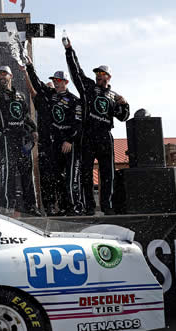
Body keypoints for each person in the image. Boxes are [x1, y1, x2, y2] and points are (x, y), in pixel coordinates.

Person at [63, 36, 129, 216]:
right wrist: (69, 50)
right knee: (85, 172)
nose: (99, 77)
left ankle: (107, 206)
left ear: (108, 77)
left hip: (105, 136)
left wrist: (124, 104)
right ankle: (89, 206)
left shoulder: (113, 96)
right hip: (88, 135)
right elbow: (76, 71)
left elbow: (123, 117)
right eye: (97, 74)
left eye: (102, 74)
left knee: (108, 173)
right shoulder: (88, 88)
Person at [21, 59, 84, 216]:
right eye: (54, 81)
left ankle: (73, 207)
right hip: (54, 144)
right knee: (55, 177)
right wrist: (29, 67)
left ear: (66, 82)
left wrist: (69, 140)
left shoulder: (74, 100)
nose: (56, 84)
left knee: (70, 178)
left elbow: (78, 123)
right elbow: (37, 84)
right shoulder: (50, 95)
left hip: (68, 144)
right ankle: (60, 207)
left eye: (59, 81)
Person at [0, 65, 39, 215]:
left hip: (22, 139)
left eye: (4, 74)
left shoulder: (20, 95)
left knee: (26, 175)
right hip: (6, 139)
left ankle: (31, 206)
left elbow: (25, 116)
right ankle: (7, 206)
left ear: (11, 76)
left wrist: (34, 129)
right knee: (7, 175)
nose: (1, 77)